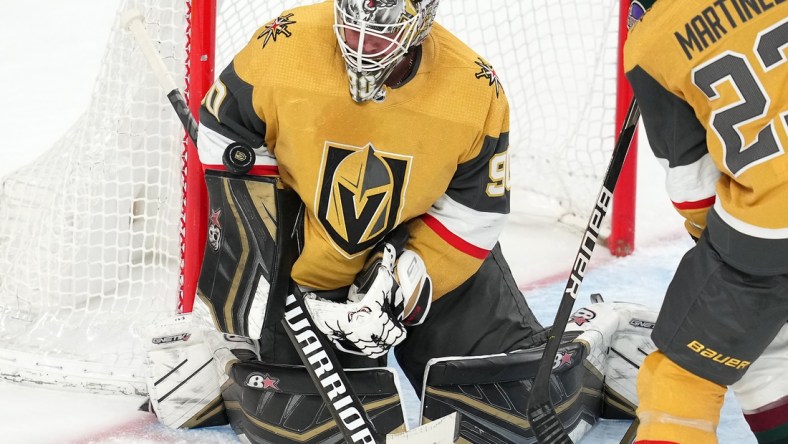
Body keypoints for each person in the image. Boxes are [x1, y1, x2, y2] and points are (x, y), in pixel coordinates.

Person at [142, 1, 647, 442]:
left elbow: (474, 212)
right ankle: (218, 349)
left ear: (421, 18)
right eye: (353, 20)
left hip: (417, 247)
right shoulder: (284, 45)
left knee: (512, 409)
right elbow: (225, 143)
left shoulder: (474, 89)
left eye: (381, 26)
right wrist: (294, 289)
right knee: (307, 423)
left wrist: (410, 279)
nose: (362, 42)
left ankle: (598, 333)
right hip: (302, 254)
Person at [623, 1, 788, 443]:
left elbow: (694, 188)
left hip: (769, 235)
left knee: (680, 383)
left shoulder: (648, 43)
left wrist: (715, 256)